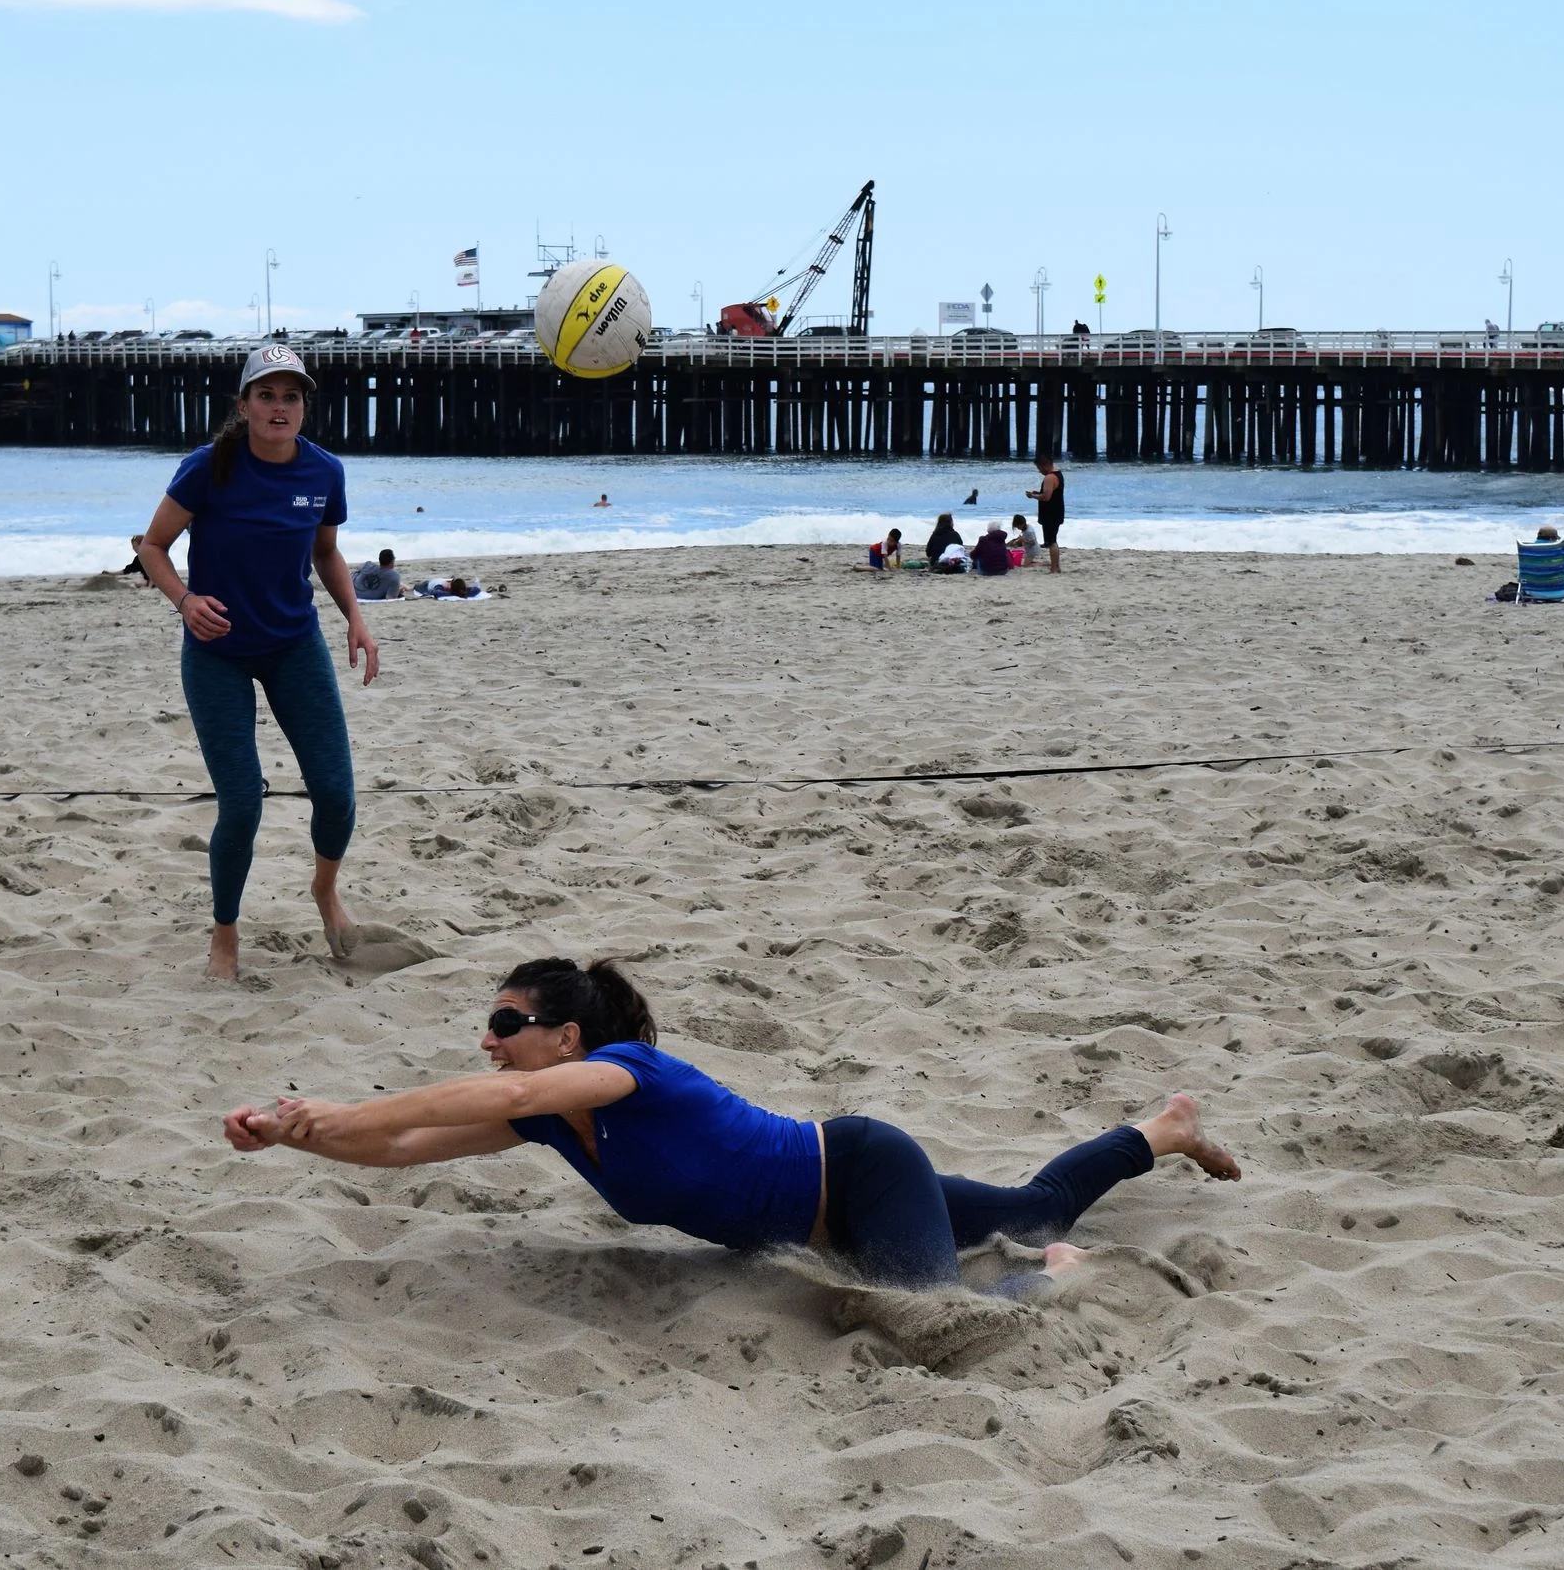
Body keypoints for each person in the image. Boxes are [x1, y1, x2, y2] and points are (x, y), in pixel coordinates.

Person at [223, 958, 1241, 1298]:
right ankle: (1167, 1126)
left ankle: (1056, 1272)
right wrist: (295, 1133)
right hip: (831, 1213)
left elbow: (486, 1101)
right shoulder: (556, 1125)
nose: (488, 1041)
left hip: (860, 1167)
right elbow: (402, 1147)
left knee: (926, 1314)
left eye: (505, 1023)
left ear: (565, 1036)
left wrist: (340, 1107)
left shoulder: (623, 1072)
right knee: (1032, 1202)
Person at [136, 344, 379, 980]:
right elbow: (154, 547)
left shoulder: (323, 472)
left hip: (293, 644)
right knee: (242, 803)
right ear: (243, 406)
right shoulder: (206, 468)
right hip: (215, 651)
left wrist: (355, 617)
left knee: (337, 793)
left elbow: (325, 552)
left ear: (303, 408)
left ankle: (324, 889)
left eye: (291, 397)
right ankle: (225, 934)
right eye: (266, 395)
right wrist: (185, 600)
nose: (279, 407)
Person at [1027, 456, 1065, 573]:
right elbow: (1051, 493)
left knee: (1051, 541)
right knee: (1052, 540)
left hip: (1050, 513)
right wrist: (1038, 493)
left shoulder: (1049, 477)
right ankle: (1056, 566)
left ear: (1044, 465)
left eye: (1039, 468)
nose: (1039, 471)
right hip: (1057, 511)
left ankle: (1054, 568)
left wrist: (1033, 496)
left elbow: (1046, 497)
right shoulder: (1058, 474)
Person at [413, 575, 484, 599]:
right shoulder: (440, 586)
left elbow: (477, 589)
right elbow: (436, 593)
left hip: (442, 580)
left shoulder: (458, 589)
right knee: (415, 587)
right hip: (427, 584)